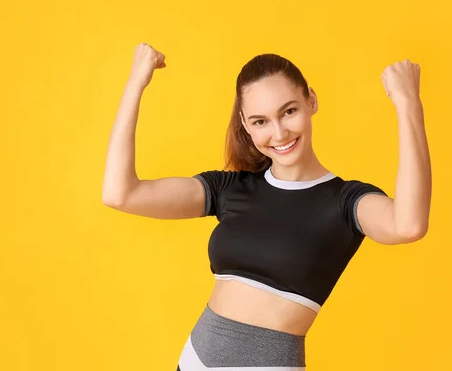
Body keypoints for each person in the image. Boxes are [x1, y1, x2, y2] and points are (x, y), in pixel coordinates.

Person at [102, 43, 432, 370]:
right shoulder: (229, 188)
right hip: (192, 362)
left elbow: (408, 225)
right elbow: (121, 194)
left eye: (289, 111)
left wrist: (407, 103)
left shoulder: (345, 202)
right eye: (260, 121)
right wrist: (136, 83)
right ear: (245, 124)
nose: (279, 132)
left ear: (311, 101)